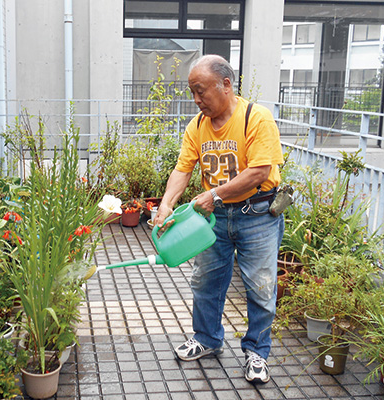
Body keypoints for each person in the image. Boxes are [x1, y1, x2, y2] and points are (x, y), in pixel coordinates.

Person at [153, 54, 285, 384]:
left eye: (201, 91)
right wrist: (166, 204)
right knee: (206, 282)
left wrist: (212, 195)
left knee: (260, 285)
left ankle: (257, 352)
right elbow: (183, 169)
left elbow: (259, 172)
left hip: (258, 215)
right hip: (213, 219)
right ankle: (208, 340)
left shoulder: (256, 118)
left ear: (226, 84)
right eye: (192, 93)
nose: (196, 100)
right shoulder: (197, 126)